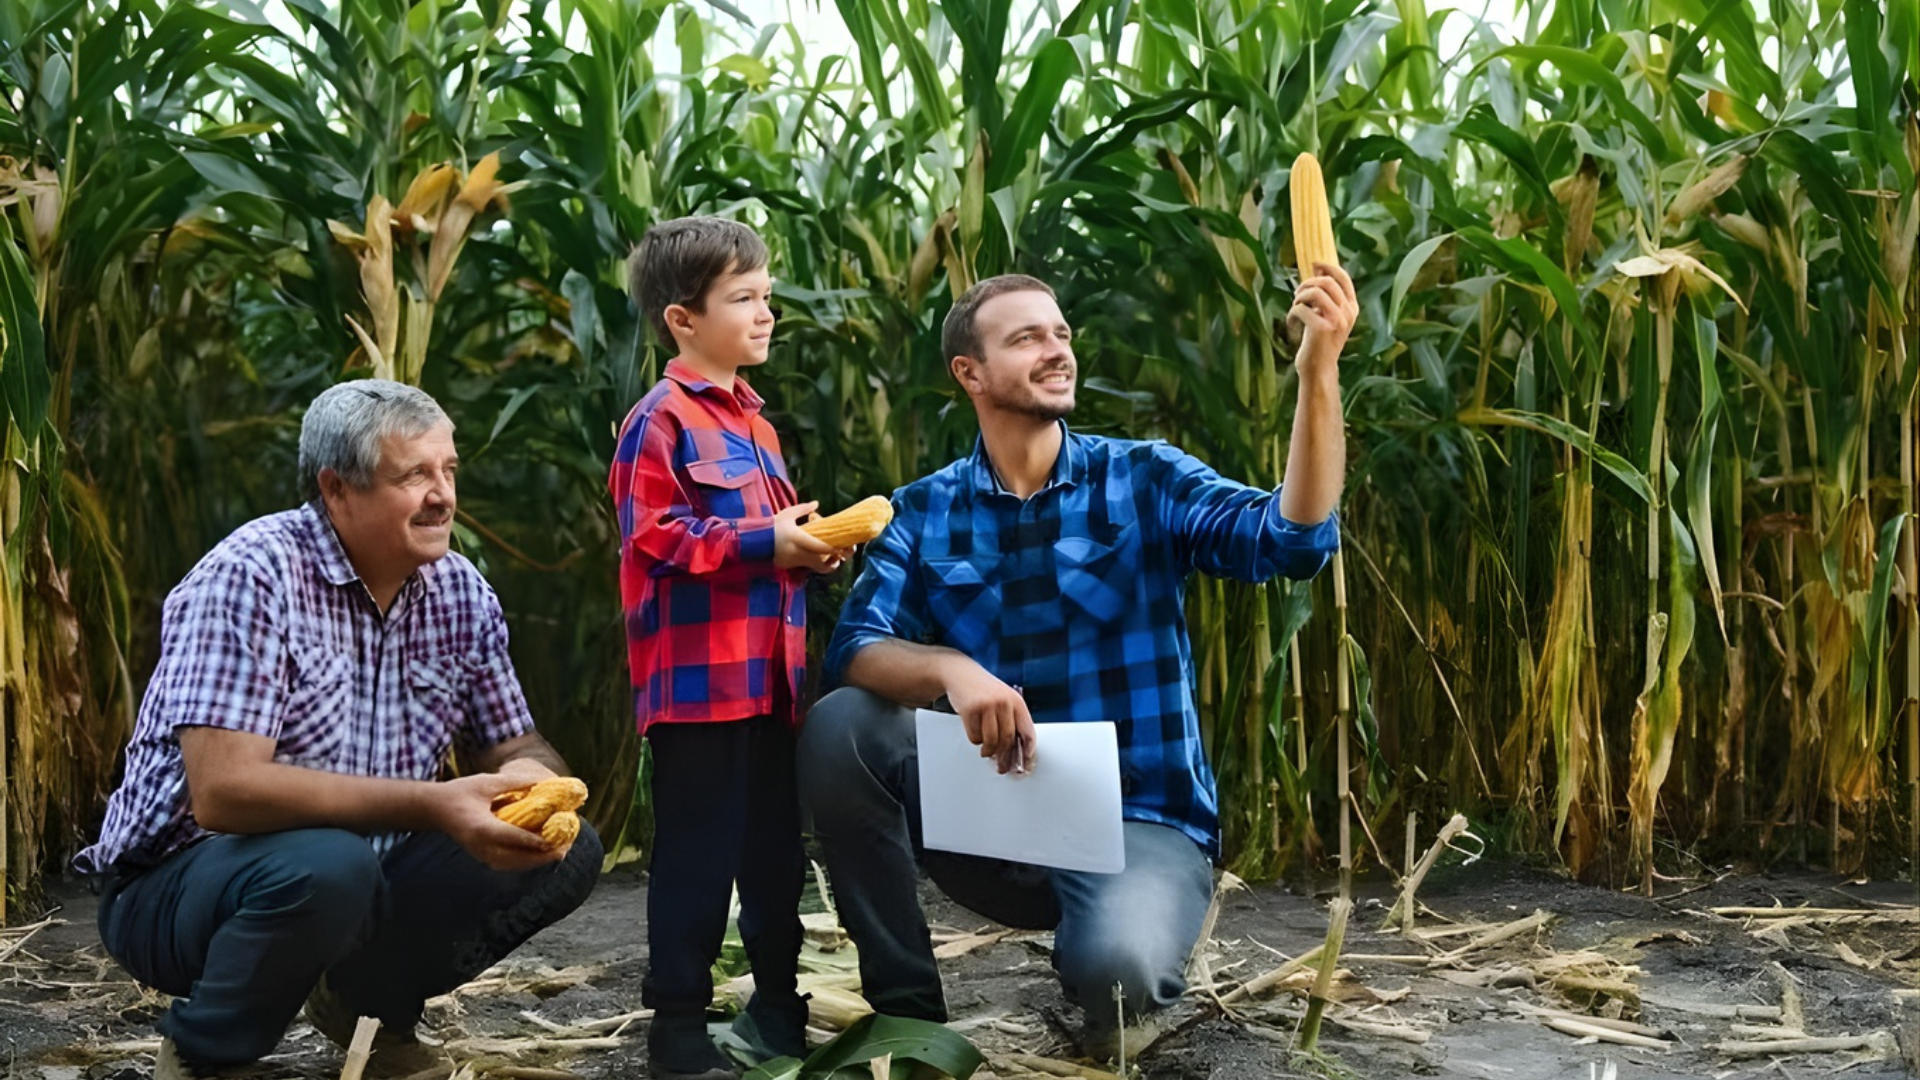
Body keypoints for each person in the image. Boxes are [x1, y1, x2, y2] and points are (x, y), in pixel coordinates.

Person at [798, 263, 1359, 1059]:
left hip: (1138, 819)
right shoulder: (924, 510)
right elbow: (857, 648)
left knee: (1118, 985)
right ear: (971, 373)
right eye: (1026, 338)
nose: (1056, 350)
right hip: (996, 816)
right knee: (840, 728)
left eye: (1060, 334)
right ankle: (909, 1013)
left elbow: (1289, 539)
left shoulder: (1143, 478)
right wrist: (954, 672)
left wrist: (1319, 372)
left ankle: (1120, 933)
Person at [74, 379, 603, 1080]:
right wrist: (433, 803)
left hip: (354, 875)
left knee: (569, 846)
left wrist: (532, 779)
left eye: (448, 470)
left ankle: (369, 1014)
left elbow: (511, 739)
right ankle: (206, 1053)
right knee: (330, 865)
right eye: (413, 475)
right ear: (337, 489)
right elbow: (223, 793)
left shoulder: (458, 592)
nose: (442, 494)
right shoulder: (251, 575)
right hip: (180, 887)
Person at [610, 216, 847, 1080]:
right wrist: (765, 544)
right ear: (683, 319)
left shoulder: (758, 425)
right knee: (698, 862)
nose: (765, 315)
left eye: (767, 297)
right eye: (743, 299)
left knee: (777, 861)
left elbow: (766, 538)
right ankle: (676, 1029)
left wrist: (808, 548)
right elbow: (657, 537)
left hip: (772, 683)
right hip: (698, 691)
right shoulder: (658, 422)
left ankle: (778, 1009)